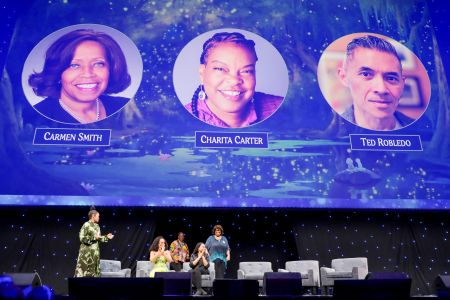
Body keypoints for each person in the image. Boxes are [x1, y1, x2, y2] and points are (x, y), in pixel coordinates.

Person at [28, 28, 131, 124]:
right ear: (57, 72)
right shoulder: (36, 117)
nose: (88, 74)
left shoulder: (124, 107)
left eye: (98, 64)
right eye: (74, 65)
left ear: (111, 69)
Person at [185, 32, 283, 128]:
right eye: (220, 69)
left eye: (247, 71)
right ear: (202, 73)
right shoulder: (179, 120)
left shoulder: (283, 108)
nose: (234, 80)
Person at [337, 35, 414, 130]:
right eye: (365, 74)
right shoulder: (330, 138)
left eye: (391, 78)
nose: (381, 89)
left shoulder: (426, 130)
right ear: (344, 77)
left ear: (402, 83)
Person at [74, 206, 114, 277]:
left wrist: (106, 237)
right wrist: (94, 238)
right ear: (93, 216)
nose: (99, 218)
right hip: (86, 253)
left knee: (94, 274)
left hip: (95, 254)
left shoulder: (97, 226)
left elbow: (98, 238)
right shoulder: (86, 224)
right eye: (98, 216)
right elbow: (82, 238)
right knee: (84, 273)